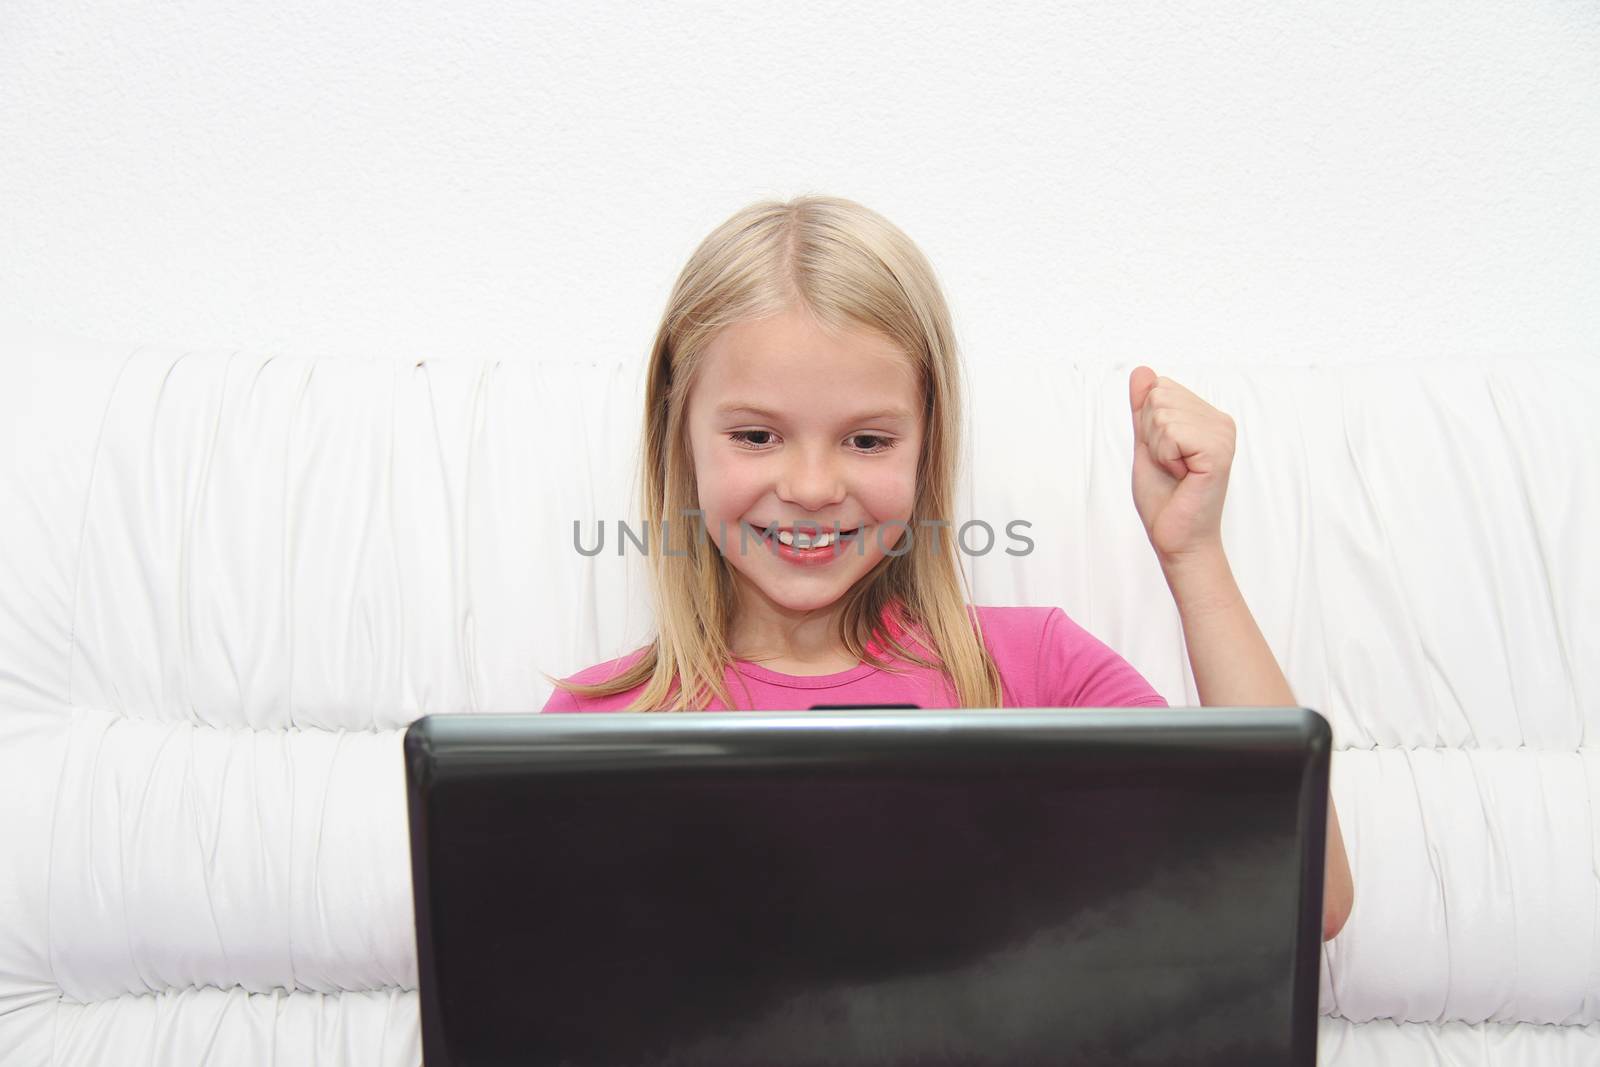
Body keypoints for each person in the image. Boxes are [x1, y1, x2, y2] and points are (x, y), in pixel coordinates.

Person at [540, 195, 1353, 941]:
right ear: (677, 434)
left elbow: (1304, 898)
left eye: (868, 440)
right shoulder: (597, 723)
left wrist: (1194, 554)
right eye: (756, 436)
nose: (813, 488)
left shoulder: (1037, 672)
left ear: (928, 444)